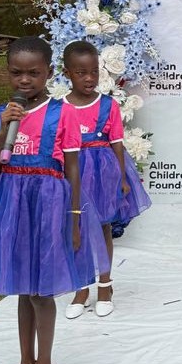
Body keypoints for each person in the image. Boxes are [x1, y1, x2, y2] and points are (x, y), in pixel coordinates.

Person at [0, 36, 104, 364]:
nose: (24, 80)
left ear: (49, 73)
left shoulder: (64, 114)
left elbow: (73, 171)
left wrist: (75, 218)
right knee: (23, 289)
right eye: (16, 73)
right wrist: (2, 133)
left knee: (42, 290)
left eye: (33, 73)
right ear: (7, 72)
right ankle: (24, 362)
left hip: (49, 206)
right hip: (11, 206)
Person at [62, 41, 151, 319]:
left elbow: (116, 143)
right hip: (72, 173)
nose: (89, 78)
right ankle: (80, 288)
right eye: (81, 73)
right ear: (67, 74)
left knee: (102, 229)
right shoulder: (59, 108)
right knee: (74, 231)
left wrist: (122, 178)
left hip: (102, 173)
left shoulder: (108, 105)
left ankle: (105, 285)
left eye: (93, 72)